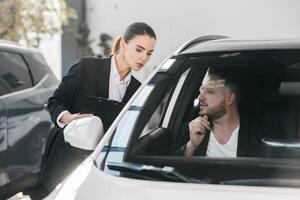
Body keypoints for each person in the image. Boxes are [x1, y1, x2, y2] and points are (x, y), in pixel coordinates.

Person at [42, 22, 156, 194]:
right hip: (65, 163)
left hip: (100, 171)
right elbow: (55, 101)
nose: (144, 58)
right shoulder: (86, 68)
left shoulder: (137, 90)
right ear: (124, 44)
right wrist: (69, 118)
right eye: (139, 49)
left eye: (149, 53)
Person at [177, 68, 264, 157]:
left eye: (210, 92)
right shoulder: (192, 130)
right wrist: (192, 145)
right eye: (202, 91)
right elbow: (171, 168)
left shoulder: (258, 134)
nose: (199, 98)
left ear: (229, 99)